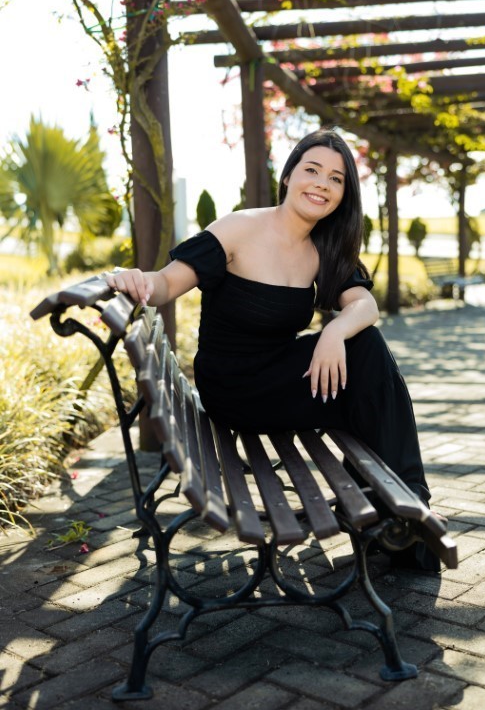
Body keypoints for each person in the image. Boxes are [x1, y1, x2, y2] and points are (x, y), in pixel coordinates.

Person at [106, 128, 442, 571]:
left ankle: (396, 507)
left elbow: (365, 305)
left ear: (344, 194)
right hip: (235, 388)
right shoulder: (240, 228)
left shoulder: (324, 247)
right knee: (368, 375)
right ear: (288, 176)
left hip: (280, 378)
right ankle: (405, 511)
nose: (322, 184)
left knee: (365, 353)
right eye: (312, 170)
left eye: (336, 179)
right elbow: (168, 282)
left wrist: (334, 333)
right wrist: (139, 279)